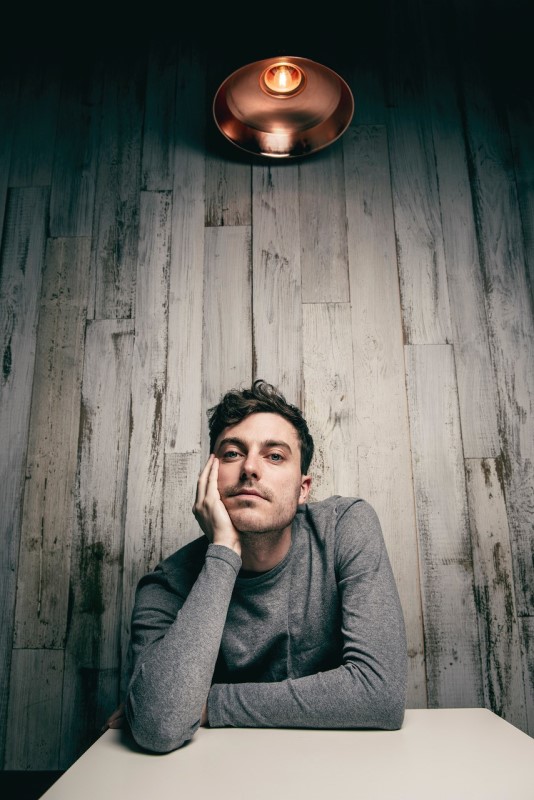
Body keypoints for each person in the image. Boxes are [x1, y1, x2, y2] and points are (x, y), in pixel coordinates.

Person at [105, 379, 408, 752]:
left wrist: (211, 703)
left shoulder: (346, 527)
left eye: (275, 456)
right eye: (232, 454)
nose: (250, 468)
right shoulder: (166, 584)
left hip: (338, 766)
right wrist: (224, 553)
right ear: (209, 478)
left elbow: (380, 693)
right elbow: (159, 725)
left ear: (303, 488)